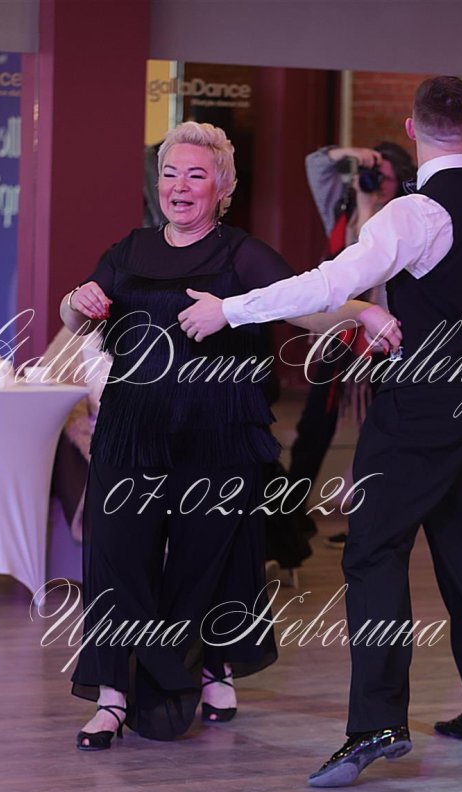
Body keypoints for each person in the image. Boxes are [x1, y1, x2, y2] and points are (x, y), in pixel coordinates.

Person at [178, 78, 462, 785]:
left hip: (419, 404)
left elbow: (329, 284)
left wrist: (230, 309)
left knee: (371, 550)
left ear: (412, 126)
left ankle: (376, 724)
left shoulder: (415, 212)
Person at [59, 121, 394, 748]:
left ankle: (211, 668)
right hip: (132, 428)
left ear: (222, 189)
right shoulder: (128, 250)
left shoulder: (241, 254)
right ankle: (112, 695)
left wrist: (362, 310)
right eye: (169, 173)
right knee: (117, 558)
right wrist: (78, 302)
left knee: (207, 558)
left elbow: (306, 305)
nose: (179, 186)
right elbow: (75, 316)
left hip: (217, 432)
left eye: (195, 175)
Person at [292, 142, 416, 545]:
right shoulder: (342, 211)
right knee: (314, 426)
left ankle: (369, 522)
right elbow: (314, 163)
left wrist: (368, 207)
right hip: (340, 336)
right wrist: (352, 153)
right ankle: (287, 519)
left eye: (385, 178)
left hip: (383, 341)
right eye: (372, 175)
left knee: (379, 434)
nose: (376, 184)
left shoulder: (405, 221)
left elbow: (367, 269)